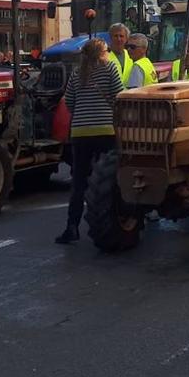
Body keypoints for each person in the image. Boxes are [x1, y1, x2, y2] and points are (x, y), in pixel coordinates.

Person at [57, 38, 122, 245]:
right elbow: (119, 95)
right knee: (110, 178)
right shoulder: (110, 68)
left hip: (80, 132)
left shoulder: (77, 74)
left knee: (78, 181)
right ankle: (109, 220)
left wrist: (82, 116)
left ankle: (72, 226)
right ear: (102, 53)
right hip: (105, 130)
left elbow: (69, 102)